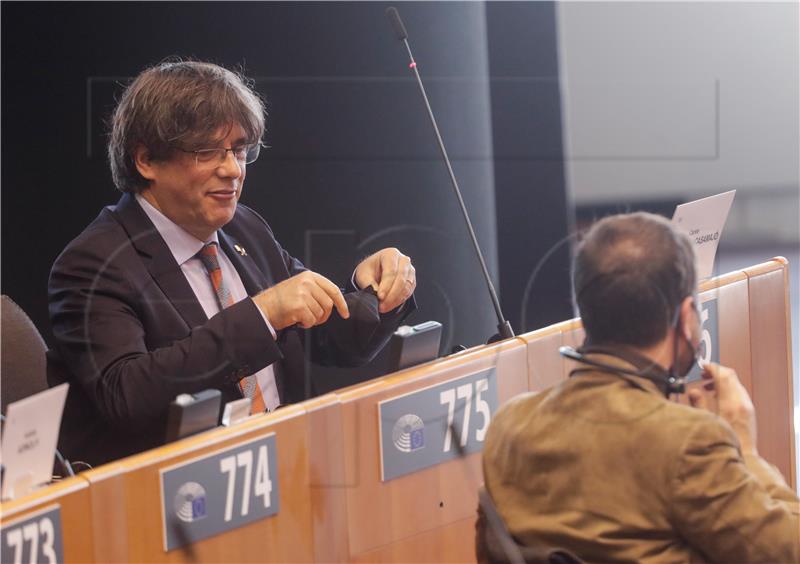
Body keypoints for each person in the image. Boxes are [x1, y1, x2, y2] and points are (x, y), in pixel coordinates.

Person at [48, 60, 417, 467]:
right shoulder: (94, 263)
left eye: (240, 150)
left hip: (292, 464)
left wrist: (377, 293)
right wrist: (261, 314)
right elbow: (128, 395)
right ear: (146, 161)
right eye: (207, 152)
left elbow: (335, 341)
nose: (233, 170)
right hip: (180, 495)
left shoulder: (245, 228)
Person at [478, 212, 798, 563]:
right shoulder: (689, 442)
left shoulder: (509, 426)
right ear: (688, 315)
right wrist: (746, 452)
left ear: (588, 311)